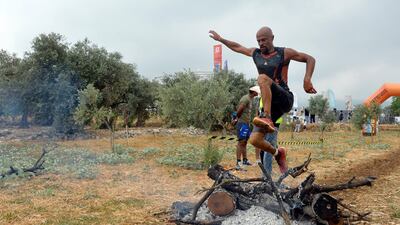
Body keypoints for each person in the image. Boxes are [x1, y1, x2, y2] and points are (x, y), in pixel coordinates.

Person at [209, 26, 317, 173]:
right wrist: (221, 39)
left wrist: (307, 79)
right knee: (255, 140)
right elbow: (238, 47)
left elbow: (309, 59)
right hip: (270, 103)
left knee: (262, 79)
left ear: (272, 38)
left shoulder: (283, 53)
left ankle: (266, 118)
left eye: (264, 40)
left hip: (284, 98)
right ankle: (278, 154)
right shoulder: (256, 54)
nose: (261, 43)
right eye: (258, 40)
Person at [232, 86, 260, 169]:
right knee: (241, 142)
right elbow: (240, 109)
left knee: (245, 142)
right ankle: (238, 163)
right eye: (257, 92)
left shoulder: (250, 99)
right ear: (253, 91)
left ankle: (245, 160)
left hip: (246, 124)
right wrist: (236, 118)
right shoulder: (246, 99)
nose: (258, 93)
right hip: (242, 123)